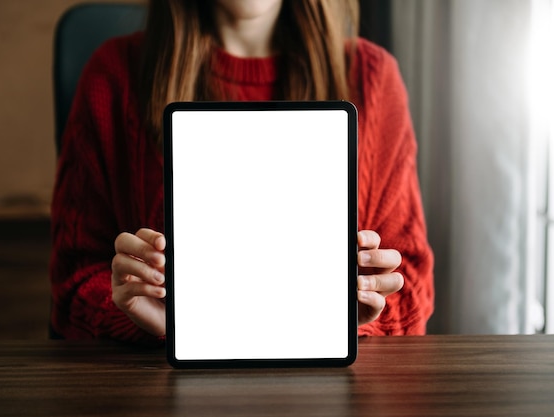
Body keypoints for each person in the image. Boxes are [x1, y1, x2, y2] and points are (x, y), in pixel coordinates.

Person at [50, 0, 434, 345]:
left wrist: (352, 318)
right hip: (158, 388)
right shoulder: (113, 75)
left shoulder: (372, 78)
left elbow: (411, 284)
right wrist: (139, 315)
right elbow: (72, 286)